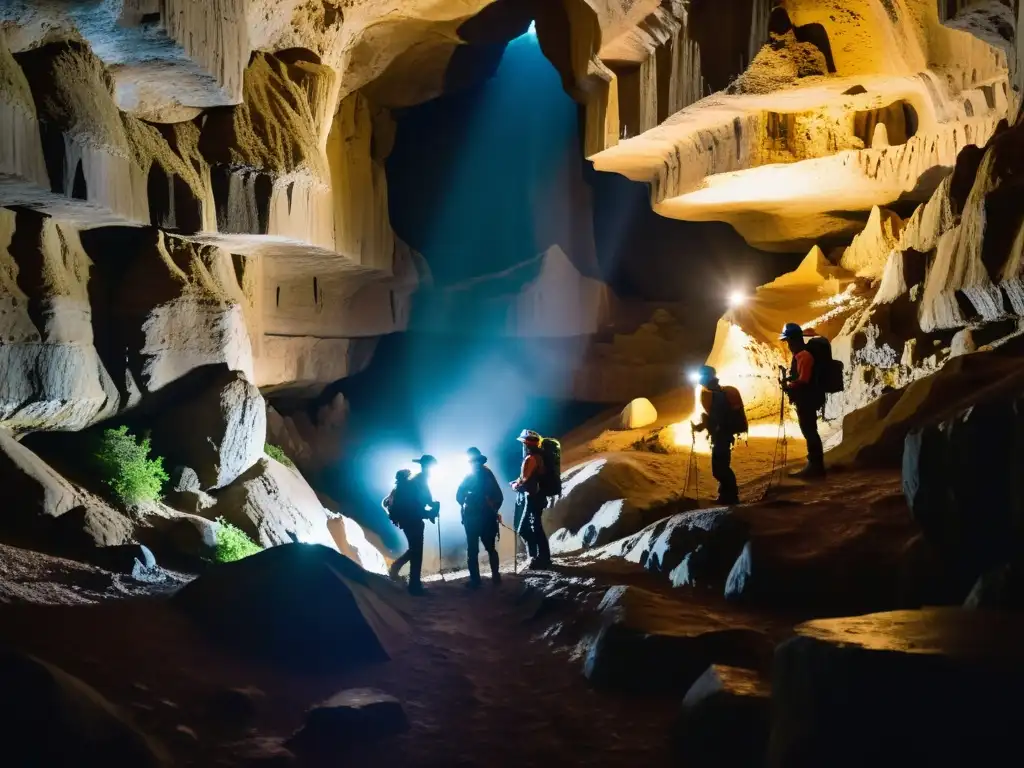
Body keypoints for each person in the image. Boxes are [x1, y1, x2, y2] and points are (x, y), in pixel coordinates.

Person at [386, 455, 440, 595]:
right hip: (413, 520)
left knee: (414, 549)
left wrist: (429, 509)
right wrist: (432, 510)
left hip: (407, 520)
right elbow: (421, 503)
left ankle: (401, 572)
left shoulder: (416, 480)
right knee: (417, 551)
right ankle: (414, 585)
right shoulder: (419, 480)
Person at [780, 322, 826, 478]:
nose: (788, 345)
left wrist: (789, 386)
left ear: (794, 339)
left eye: (788, 341)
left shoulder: (804, 356)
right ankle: (814, 465)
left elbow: (804, 380)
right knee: (809, 430)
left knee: (810, 431)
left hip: (807, 399)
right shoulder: (800, 355)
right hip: (807, 398)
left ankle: (815, 467)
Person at [691, 365, 741, 504]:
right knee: (721, 466)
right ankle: (726, 495)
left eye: (701, 376)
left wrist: (703, 426)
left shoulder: (715, 394)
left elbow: (717, 417)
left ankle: (731, 497)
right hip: (722, 434)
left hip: (722, 435)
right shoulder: (714, 392)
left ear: (707, 376)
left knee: (720, 468)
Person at [456, 447, 504, 588]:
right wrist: (493, 509)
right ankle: (495, 576)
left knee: (473, 550)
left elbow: (458, 496)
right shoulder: (487, 474)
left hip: (473, 518)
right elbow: (498, 497)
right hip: (486, 517)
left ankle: (476, 580)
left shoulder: (469, 476)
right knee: (489, 548)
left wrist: (468, 503)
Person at [511, 429, 551, 569]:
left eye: (523, 443)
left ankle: (540, 558)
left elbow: (524, 478)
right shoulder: (538, 457)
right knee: (534, 527)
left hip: (533, 497)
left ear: (526, 444)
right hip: (536, 496)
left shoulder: (531, 458)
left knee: (527, 529)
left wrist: (516, 484)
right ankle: (537, 557)